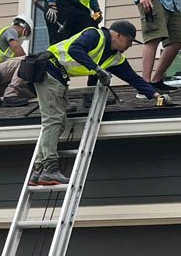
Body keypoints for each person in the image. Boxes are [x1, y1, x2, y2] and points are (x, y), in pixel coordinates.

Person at [31, 20, 170, 187]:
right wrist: (97, 70)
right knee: (54, 121)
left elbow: (133, 78)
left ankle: (38, 171)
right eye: (129, 40)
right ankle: (50, 169)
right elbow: (75, 49)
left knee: (58, 123)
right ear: (118, 35)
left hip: (58, 78)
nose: (130, 45)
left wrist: (156, 95)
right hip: (48, 69)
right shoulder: (94, 35)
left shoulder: (114, 58)